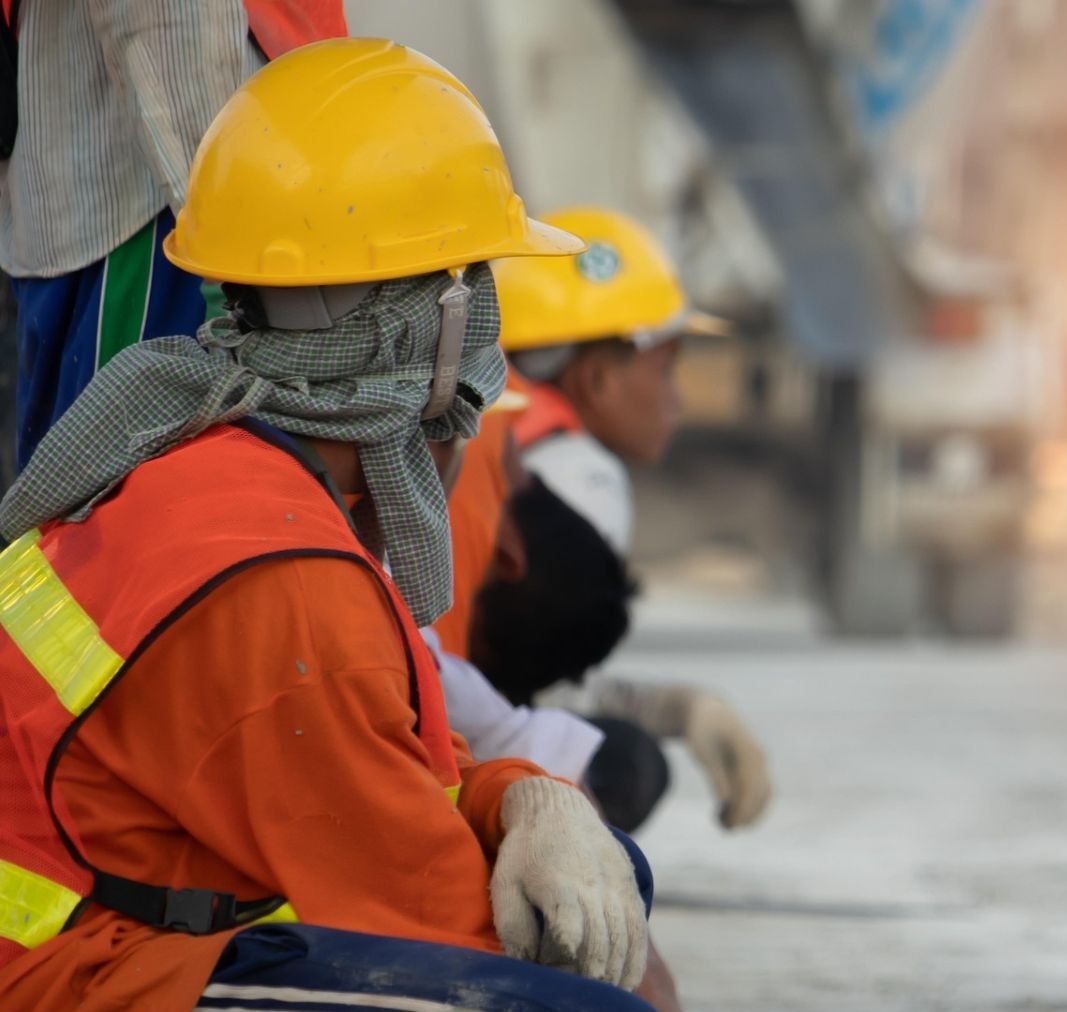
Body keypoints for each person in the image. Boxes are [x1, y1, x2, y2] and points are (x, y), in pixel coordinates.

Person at [0, 38, 658, 1010]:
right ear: (431, 330)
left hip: (114, 936)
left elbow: (405, 769)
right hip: (74, 977)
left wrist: (524, 792)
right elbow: (441, 920)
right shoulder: (281, 569)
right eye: (478, 291)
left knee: (606, 882)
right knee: (571, 996)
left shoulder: (233, 472)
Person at [439, 206, 772, 833]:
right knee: (626, 761)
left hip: (423, 705)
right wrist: (669, 712)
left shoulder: (471, 418)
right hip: (447, 745)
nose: (676, 396)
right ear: (595, 378)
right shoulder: (580, 476)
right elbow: (538, 696)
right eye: (666, 366)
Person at [0, 1, 347, 470]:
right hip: (160, 211)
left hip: (181, 196)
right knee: (132, 510)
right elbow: (168, 27)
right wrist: (233, 252)